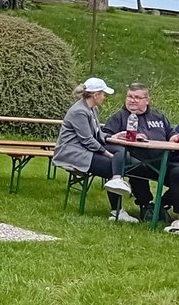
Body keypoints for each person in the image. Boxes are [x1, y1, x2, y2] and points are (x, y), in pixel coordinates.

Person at [52, 77, 137, 223]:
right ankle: (117, 211)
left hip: (85, 148)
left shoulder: (92, 109)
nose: (104, 97)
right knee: (112, 165)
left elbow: (97, 134)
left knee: (121, 152)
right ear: (95, 95)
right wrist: (107, 154)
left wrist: (112, 137)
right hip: (73, 152)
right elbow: (87, 140)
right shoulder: (79, 111)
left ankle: (117, 180)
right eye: (103, 94)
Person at [102, 82, 178, 222]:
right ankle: (145, 205)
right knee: (138, 168)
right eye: (130, 96)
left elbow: (171, 134)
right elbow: (106, 137)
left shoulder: (158, 116)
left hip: (163, 160)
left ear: (147, 100)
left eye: (137, 97)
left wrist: (174, 138)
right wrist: (122, 136)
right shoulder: (119, 117)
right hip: (136, 161)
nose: (132, 100)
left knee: (177, 173)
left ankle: (162, 205)